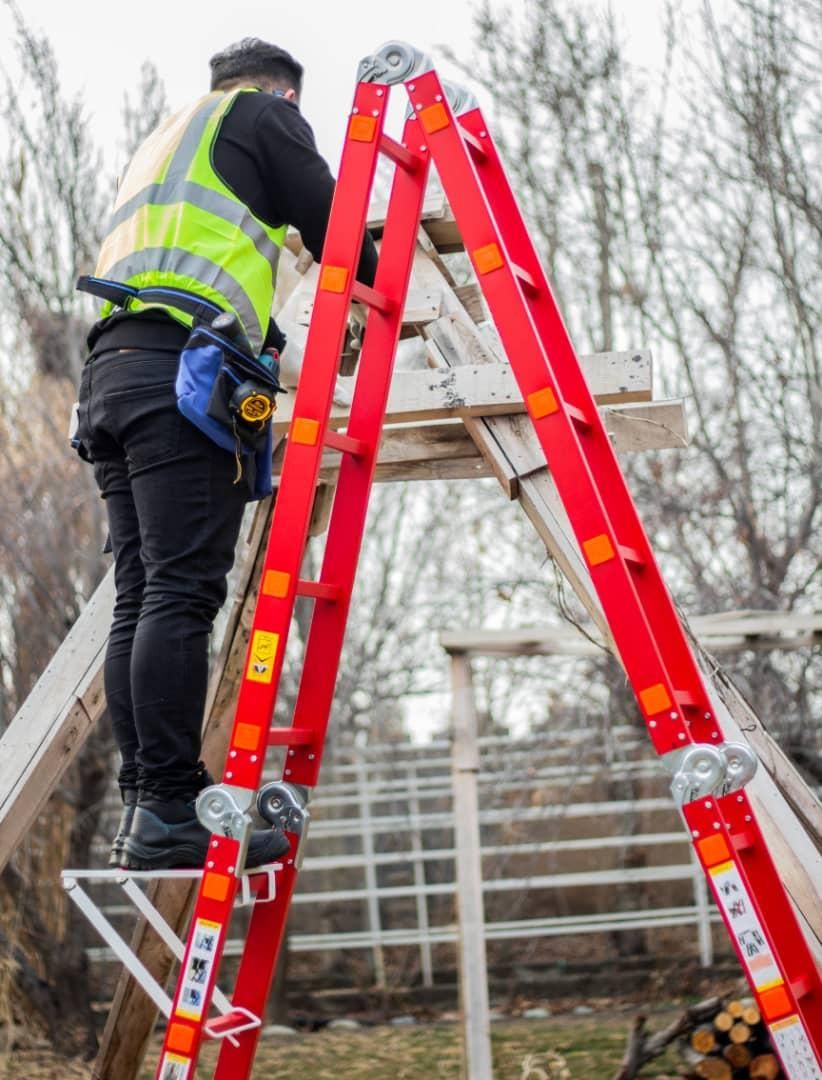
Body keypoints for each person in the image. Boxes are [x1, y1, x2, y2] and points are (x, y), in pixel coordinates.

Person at [74, 38, 378, 871]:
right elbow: (340, 232)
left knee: (143, 593)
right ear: (284, 96)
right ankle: (173, 805)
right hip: (181, 377)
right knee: (177, 592)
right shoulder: (265, 117)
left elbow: (209, 270)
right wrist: (371, 278)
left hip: (111, 374)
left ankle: (149, 806)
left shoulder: (168, 142)